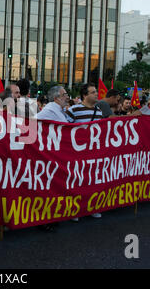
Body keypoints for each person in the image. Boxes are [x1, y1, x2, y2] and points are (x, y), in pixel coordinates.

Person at [65, 83, 103, 220]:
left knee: (92, 180)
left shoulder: (98, 111)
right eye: (93, 92)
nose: (96, 94)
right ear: (85, 95)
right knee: (77, 181)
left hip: (93, 153)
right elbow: (64, 129)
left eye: (96, 91)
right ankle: (75, 209)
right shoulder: (73, 110)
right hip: (77, 153)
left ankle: (92, 207)